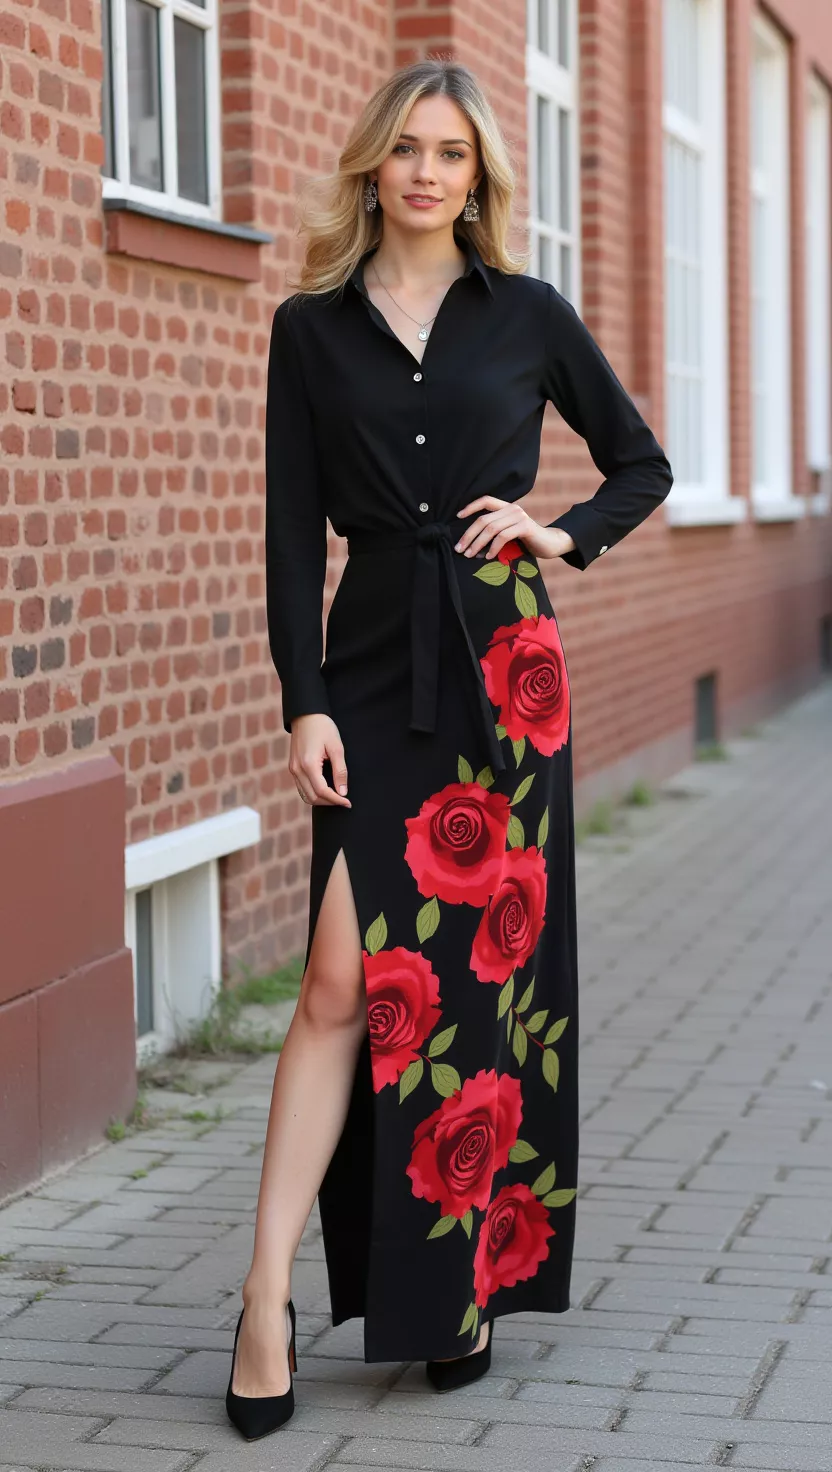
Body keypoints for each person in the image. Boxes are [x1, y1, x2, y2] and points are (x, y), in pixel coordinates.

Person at [225, 57, 673, 1441]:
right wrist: (304, 698)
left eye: (454, 154)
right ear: (375, 164)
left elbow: (639, 465)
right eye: (408, 149)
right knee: (337, 982)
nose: (428, 171)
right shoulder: (311, 333)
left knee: (474, 991)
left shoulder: (528, 316)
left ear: (480, 177)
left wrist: (559, 533)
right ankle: (262, 1298)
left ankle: (455, 1294)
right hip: (367, 667)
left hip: (504, 676)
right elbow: (293, 532)